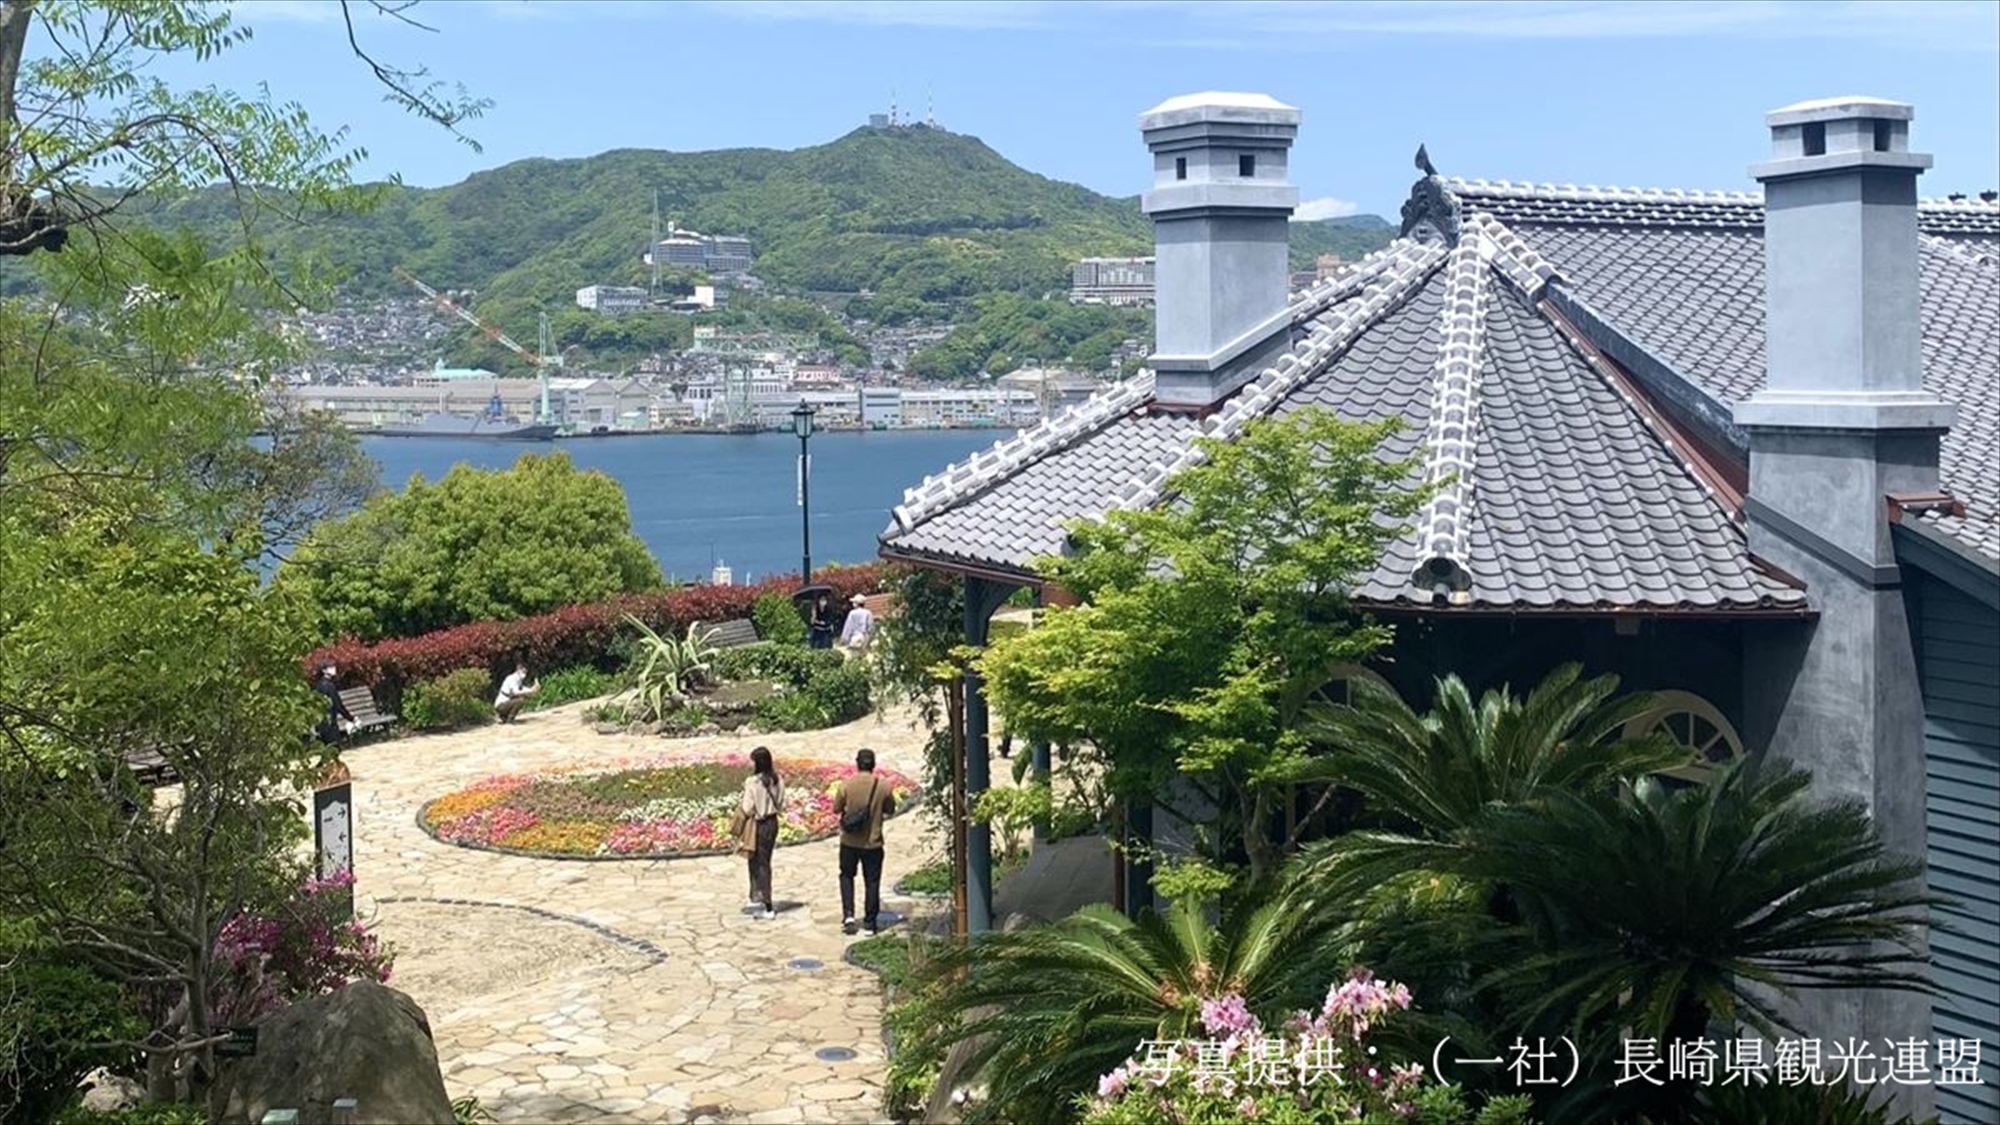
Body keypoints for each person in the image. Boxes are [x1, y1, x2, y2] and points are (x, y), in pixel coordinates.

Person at [833, 747, 893, 935]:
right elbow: (890, 808)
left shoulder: (846, 785)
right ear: (873, 765)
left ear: (857, 763)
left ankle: (849, 915)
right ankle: (869, 922)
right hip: (873, 842)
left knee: (846, 875)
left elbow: (836, 808)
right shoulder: (882, 786)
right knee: (872, 881)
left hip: (849, 841)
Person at [739, 746, 783, 920]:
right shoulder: (777, 779)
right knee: (763, 860)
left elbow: (747, 807)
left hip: (759, 824)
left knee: (760, 863)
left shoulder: (753, 782)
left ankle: (767, 904)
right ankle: (756, 895)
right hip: (772, 823)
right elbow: (780, 802)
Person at [312, 663, 353, 743]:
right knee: (334, 747)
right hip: (330, 723)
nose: (334, 668)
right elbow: (338, 705)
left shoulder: (318, 685)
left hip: (321, 722)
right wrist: (350, 718)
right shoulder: (329, 686)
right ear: (324, 671)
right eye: (330, 667)